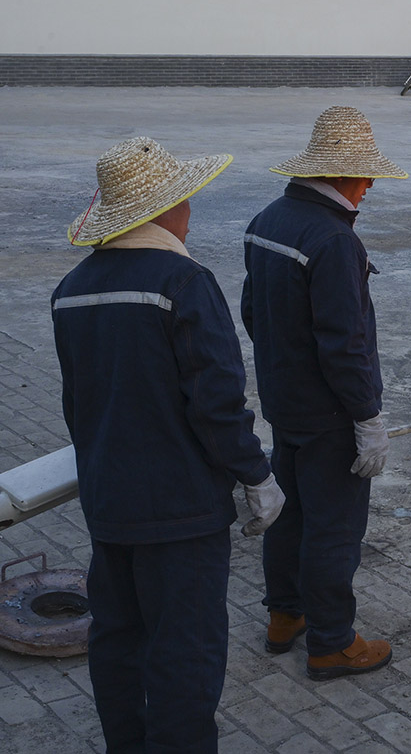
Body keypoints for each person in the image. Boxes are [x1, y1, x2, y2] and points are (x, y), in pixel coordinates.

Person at [52, 137, 284, 752]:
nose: (191, 213)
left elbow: (78, 405)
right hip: (181, 513)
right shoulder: (184, 281)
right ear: (165, 209)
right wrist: (255, 476)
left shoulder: (71, 290)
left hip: (109, 503)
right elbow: (216, 403)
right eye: (187, 200)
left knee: (118, 643)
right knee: (184, 653)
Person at [242, 106, 405, 680]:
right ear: (347, 176)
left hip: (285, 405)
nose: (368, 191)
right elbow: (345, 343)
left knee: (290, 517)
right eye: (367, 180)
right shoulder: (334, 241)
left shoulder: (266, 220)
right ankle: (332, 642)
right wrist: (366, 417)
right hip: (330, 414)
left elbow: (252, 313)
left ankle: (285, 617)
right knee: (333, 528)